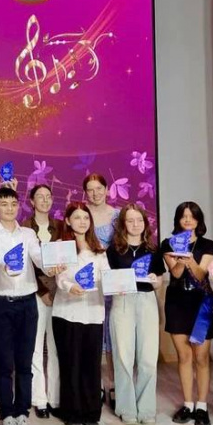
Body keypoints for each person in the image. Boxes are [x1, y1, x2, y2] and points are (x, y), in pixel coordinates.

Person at [0, 185, 45, 425]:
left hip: (28, 303)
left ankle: (22, 413)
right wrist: (8, 261)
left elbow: (38, 257)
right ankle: (7, 414)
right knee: (3, 362)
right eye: (4, 204)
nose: (9, 208)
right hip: (1, 303)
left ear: (19, 206)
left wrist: (52, 264)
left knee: (24, 362)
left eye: (13, 204)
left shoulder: (28, 233)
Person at [53, 202, 111, 425]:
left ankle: (91, 412)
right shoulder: (60, 246)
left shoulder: (99, 249)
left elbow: (106, 275)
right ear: (68, 221)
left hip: (94, 312)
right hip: (68, 312)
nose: (82, 222)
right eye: (77, 217)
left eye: (85, 218)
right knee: (71, 364)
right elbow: (58, 277)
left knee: (91, 364)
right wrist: (69, 287)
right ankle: (72, 412)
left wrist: (116, 284)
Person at [106, 204, 165, 425]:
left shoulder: (153, 249)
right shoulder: (114, 250)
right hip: (122, 301)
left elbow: (159, 280)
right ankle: (126, 407)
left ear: (145, 223)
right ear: (123, 224)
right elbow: (108, 279)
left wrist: (155, 281)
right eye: (130, 220)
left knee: (148, 358)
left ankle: (146, 409)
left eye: (139, 220)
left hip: (147, 301)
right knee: (123, 356)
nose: (135, 224)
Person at [161, 202, 213, 425]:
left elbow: (202, 275)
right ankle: (188, 404)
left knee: (201, 357)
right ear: (178, 219)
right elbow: (175, 273)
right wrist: (179, 259)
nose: (187, 220)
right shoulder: (168, 243)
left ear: (198, 220)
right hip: (177, 303)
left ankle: (202, 406)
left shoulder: (208, 245)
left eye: (192, 216)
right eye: (183, 216)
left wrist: (190, 259)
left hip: (201, 304)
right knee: (183, 356)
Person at [24, 184, 63, 418]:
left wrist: (57, 289)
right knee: (36, 348)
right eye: (40, 197)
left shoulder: (61, 227)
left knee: (56, 348)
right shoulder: (25, 228)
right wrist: (42, 291)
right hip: (36, 294)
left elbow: (68, 260)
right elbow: (26, 266)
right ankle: (39, 399)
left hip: (61, 293)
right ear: (32, 201)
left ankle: (55, 398)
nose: (45, 200)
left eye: (48, 196)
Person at [83, 174, 119, 410]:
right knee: (93, 336)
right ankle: (94, 385)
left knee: (113, 337)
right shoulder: (81, 215)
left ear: (106, 190)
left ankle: (114, 385)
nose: (95, 193)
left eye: (99, 188)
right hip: (89, 283)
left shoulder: (118, 216)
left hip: (113, 282)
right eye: (90, 189)